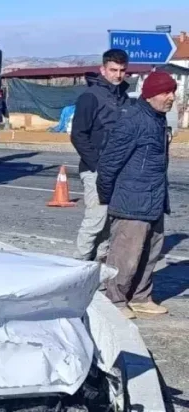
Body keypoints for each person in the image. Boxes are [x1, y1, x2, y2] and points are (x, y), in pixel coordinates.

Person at [96, 70, 177, 318]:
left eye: (173, 91)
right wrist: (109, 198)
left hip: (154, 199)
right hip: (132, 201)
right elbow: (109, 164)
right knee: (125, 256)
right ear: (151, 95)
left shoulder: (158, 119)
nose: (171, 97)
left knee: (151, 252)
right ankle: (115, 299)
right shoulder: (133, 120)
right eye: (166, 92)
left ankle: (140, 296)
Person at [70, 49, 130, 261]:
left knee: (108, 223)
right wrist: (97, 165)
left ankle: (100, 268)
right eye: (113, 70)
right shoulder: (90, 97)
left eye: (122, 70)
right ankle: (77, 267)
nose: (118, 75)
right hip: (95, 170)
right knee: (95, 220)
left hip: (118, 171)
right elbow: (78, 135)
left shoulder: (124, 98)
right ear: (103, 69)